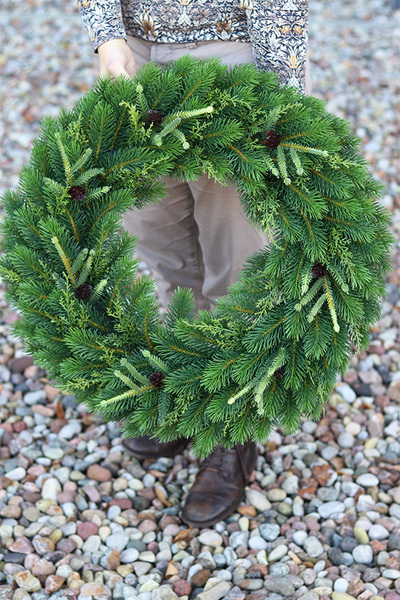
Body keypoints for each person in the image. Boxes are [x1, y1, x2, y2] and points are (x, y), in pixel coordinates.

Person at [77, 0, 311, 527]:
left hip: (230, 58)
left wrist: (281, 103)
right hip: (137, 56)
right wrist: (107, 35)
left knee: (237, 263)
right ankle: (187, 390)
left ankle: (236, 427)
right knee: (161, 250)